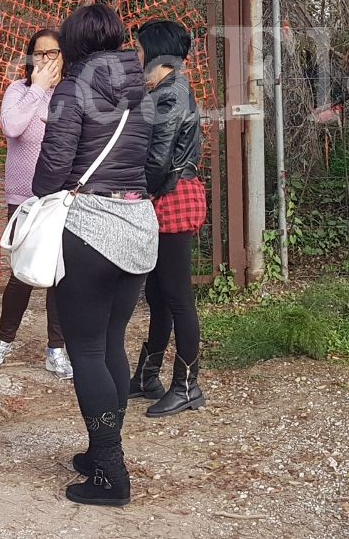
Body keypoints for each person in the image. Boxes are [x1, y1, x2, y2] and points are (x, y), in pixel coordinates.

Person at [32, 4, 157, 507]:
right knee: (111, 343)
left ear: (75, 44)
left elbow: (54, 165)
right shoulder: (141, 91)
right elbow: (151, 159)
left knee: (84, 349)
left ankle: (109, 469)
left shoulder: (73, 88)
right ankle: (102, 449)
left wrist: (41, 190)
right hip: (137, 223)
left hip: (87, 227)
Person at [0, 29, 71, 379]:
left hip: (64, 199)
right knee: (21, 275)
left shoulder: (73, 90)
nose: (45, 59)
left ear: (65, 55)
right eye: (39, 53)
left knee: (60, 277)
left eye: (52, 53)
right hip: (25, 199)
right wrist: (36, 89)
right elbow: (11, 127)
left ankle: (57, 349)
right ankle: (4, 341)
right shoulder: (19, 91)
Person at [134, 21, 207, 417]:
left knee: (177, 296)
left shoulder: (169, 95)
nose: (137, 55)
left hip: (171, 196)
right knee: (159, 293)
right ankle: (148, 377)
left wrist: (134, 193)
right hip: (169, 194)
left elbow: (159, 159)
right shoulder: (166, 90)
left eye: (141, 49)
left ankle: (187, 385)